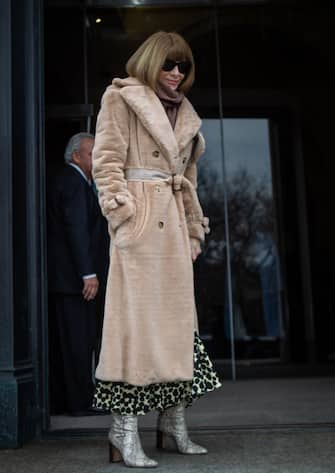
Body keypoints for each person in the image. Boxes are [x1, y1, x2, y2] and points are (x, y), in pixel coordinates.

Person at [92, 31, 221, 467]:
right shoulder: (121, 99)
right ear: (151, 64)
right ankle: (123, 431)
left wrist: (192, 233)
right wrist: (122, 213)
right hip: (142, 226)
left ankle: (172, 424)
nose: (177, 74)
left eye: (183, 67)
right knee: (135, 332)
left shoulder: (185, 113)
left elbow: (189, 180)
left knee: (178, 332)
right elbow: (106, 160)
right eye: (169, 65)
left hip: (173, 235)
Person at [47, 132, 109, 416]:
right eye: (92, 154)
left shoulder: (75, 182)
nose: (97, 160)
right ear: (76, 156)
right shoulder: (74, 183)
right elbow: (77, 231)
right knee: (77, 343)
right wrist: (88, 274)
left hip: (69, 282)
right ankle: (79, 403)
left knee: (73, 342)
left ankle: (70, 400)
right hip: (75, 283)